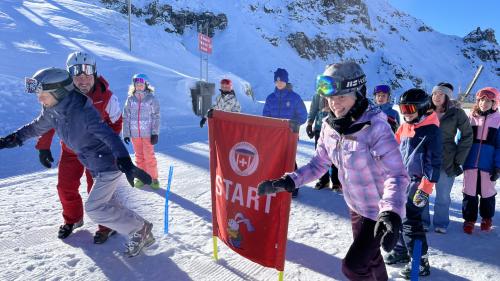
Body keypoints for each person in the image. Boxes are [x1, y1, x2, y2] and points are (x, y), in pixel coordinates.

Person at [258, 62, 409, 281]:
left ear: (358, 94)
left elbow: (397, 174)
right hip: (356, 205)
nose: (334, 104)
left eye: (341, 97)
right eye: (330, 98)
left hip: (379, 211)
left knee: (353, 267)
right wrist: (289, 181)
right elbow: (318, 163)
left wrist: (391, 212)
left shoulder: (375, 126)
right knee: (371, 259)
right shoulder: (331, 127)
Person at [0, 67, 154, 257]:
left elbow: (109, 135)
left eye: (43, 94)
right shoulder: (52, 110)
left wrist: (125, 161)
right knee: (109, 204)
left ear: (59, 92)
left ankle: (139, 230)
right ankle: (142, 228)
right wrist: (13, 138)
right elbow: (36, 127)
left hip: (108, 165)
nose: (39, 99)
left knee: (95, 208)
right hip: (94, 165)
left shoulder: (82, 113)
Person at [35, 51, 123, 243]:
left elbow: (116, 122)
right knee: (65, 186)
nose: (83, 79)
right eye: (77, 73)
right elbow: (48, 122)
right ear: (69, 76)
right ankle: (73, 219)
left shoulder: (107, 98)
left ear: (95, 74)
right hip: (71, 151)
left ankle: (107, 225)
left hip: (97, 153)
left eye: (87, 73)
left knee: (99, 189)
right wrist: (43, 146)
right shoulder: (59, 96)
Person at [385, 88, 442, 279]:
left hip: (418, 184)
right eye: (402, 109)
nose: (405, 113)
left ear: (423, 107)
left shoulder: (430, 131)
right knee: (398, 217)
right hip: (400, 181)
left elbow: (434, 163)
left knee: (411, 222)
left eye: (410, 108)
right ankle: (401, 250)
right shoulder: (405, 126)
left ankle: (420, 261)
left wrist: (425, 190)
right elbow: (394, 148)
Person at [422, 82, 473, 234]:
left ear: (447, 97)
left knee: (443, 196)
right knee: (421, 193)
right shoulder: (424, 110)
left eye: (441, 94)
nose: (437, 97)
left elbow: (467, 136)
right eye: (435, 94)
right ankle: (423, 222)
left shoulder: (457, 113)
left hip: (447, 160)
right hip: (426, 159)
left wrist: (458, 160)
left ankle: (441, 223)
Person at [262, 68, 307, 198]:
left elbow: (303, 115)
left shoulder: (294, 98)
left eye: (281, 80)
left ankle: (294, 186)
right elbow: (266, 117)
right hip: (274, 137)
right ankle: (276, 184)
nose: (279, 82)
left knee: (290, 160)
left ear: (286, 81)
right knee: (275, 158)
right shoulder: (270, 98)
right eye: (277, 80)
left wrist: (294, 123)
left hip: (290, 136)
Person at [461, 87, 500, 234]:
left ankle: (486, 218)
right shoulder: (471, 117)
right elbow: (462, 140)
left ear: (494, 103)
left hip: (488, 165)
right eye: (482, 100)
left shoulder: (498, 121)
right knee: (469, 193)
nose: (484, 103)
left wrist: (498, 166)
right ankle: (469, 219)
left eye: (488, 101)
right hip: (470, 163)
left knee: (487, 193)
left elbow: (499, 147)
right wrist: (459, 159)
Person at [122, 73, 161, 189]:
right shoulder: (130, 99)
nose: (139, 86)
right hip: (135, 134)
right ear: (134, 85)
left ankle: (154, 178)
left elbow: (156, 116)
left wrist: (155, 133)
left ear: (146, 85)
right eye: (137, 84)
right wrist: (126, 134)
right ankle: (142, 178)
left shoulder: (151, 99)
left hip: (148, 134)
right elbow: (126, 117)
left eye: (141, 84)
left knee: (149, 156)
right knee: (139, 156)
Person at [305, 93, 342, 191]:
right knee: (321, 155)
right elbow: (313, 109)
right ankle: (324, 180)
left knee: (335, 155)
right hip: (319, 127)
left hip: (335, 128)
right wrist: (309, 124)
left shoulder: (338, 92)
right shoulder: (318, 95)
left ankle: (336, 182)